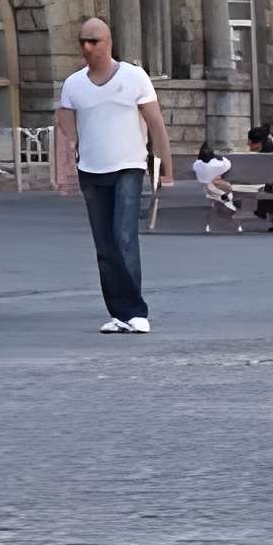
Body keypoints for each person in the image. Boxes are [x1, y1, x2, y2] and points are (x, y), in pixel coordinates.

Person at [52, 17, 169, 333]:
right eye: (83, 41)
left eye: (94, 41)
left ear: (109, 42)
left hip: (128, 167)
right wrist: (72, 148)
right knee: (104, 243)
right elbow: (63, 119)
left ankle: (136, 311)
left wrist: (166, 167)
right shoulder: (74, 84)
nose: (88, 47)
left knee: (124, 235)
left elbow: (156, 123)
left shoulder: (133, 77)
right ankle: (119, 312)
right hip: (91, 169)